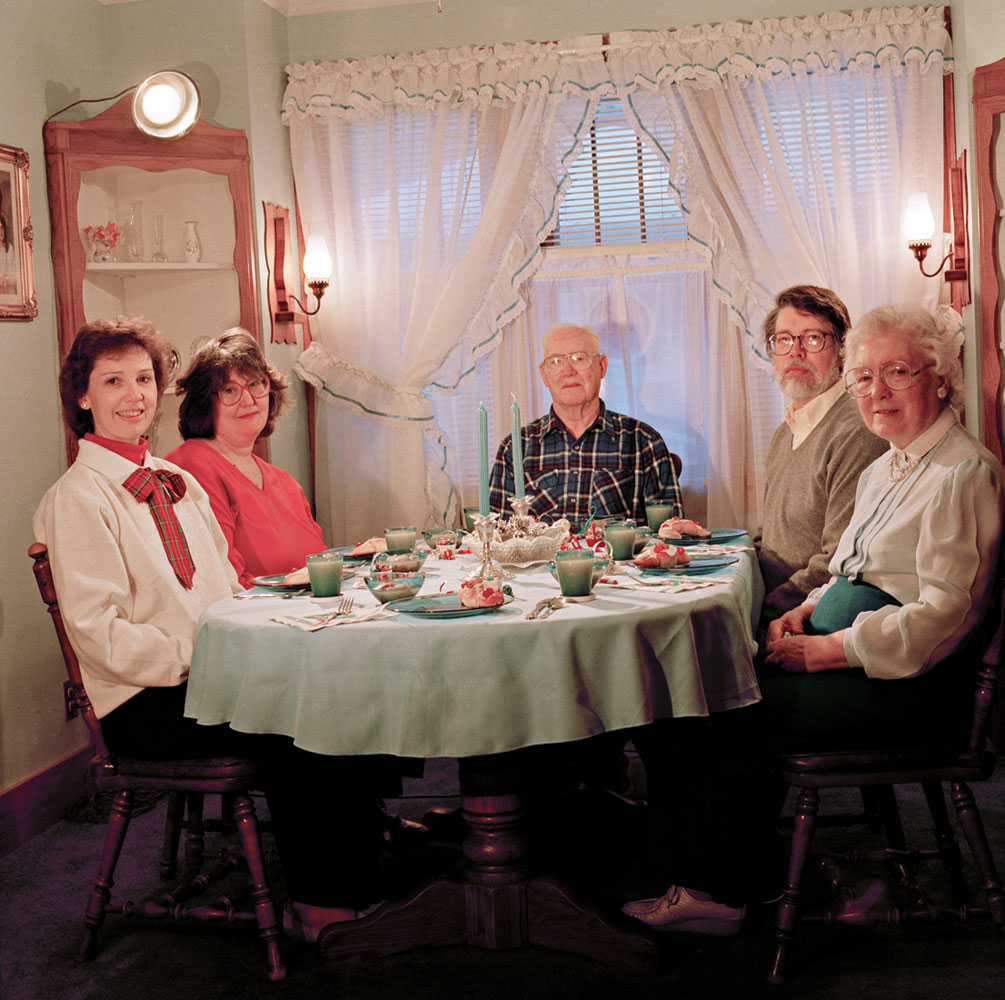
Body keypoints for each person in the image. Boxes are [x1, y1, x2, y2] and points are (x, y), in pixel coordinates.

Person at [623, 303, 1003, 934]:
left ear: (940, 378)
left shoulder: (961, 473)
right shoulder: (889, 464)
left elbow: (945, 617)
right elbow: (846, 567)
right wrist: (801, 612)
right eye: (863, 378)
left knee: (710, 711)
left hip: (912, 689)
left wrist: (825, 651)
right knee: (694, 695)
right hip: (860, 665)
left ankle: (726, 893)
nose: (876, 392)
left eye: (898, 372)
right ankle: (727, 870)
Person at [33, 317, 388, 942]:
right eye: (112, 381)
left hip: (208, 676)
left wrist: (257, 643)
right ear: (83, 397)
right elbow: (99, 634)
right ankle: (320, 904)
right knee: (296, 727)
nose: (134, 394)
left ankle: (361, 872)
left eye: (143, 378)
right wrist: (200, 658)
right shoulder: (79, 498)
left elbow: (226, 590)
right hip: (142, 699)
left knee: (335, 696)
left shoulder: (180, 483)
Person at [756, 286, 887, 627]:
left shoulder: (856, 431)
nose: (795, 351)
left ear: (843, 351)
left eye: (812, 339)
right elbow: (772, 541)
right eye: (783, 339)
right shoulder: (785, 431)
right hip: (772, 603)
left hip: (804, 619)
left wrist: (755, 614)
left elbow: (838, 560)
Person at [165, 329, 325, 587]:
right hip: (254, 621)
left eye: (254, 384)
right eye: (229, 390)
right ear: (205, 402)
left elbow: (323, 565)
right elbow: (223, 581)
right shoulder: (191, 464)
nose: (248, 399)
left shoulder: (285, 482)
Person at [488, 323, 682, 526]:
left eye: (579, 358)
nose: (568, 371)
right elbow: (498, 538)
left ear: (602, 366)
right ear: (544, 375)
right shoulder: (516, 448)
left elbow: (670, 536)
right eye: (555, 362)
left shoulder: (643, 442)